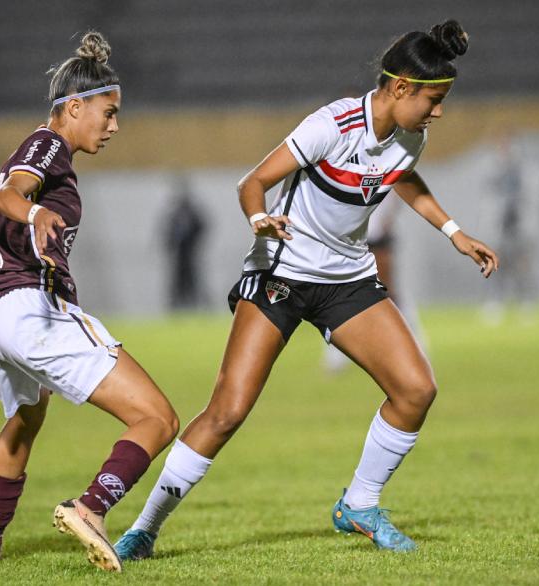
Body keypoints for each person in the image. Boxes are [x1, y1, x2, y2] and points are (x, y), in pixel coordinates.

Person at [114, 20, 498, 559]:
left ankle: (360, 504)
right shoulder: (332, 125)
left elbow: (402, 175)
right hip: (283, 275)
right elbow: (253, 182)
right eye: (433, 100)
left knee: (416, 390)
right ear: (402, 88)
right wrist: (257, 220)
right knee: (228, 410)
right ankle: (144, 529)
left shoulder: (412, 136)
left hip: (347, 280)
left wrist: (454, 232)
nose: (438, 112)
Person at [0, 32, 179, 572]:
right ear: (74, 107)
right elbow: (8, 194)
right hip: (23, 308)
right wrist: (34, 215)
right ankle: (92, 507)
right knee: (157, 418)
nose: (114, 125)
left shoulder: (52, 154)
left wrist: (48, 249)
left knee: (26, 418)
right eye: (107, 112)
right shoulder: (48, 143)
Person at [322, 194, 427, 372]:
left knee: (388, 290)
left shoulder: (385, 169)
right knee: (341, 291)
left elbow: (398, 190)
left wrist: (387, 221)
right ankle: (337, 350)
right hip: (349, 236)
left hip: (376, 234)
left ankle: (415, 341)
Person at [475, 126, 539, 325]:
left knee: (523, 266)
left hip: (520, 228)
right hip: (500, 228)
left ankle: (528, 303)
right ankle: (495, 303)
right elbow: (488, 197)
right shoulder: (493, 168)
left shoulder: (526, 170)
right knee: (496, 265)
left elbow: (531, 196)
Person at [161, 178, 208, 310]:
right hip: (179, 254)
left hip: (189, 253)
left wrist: (193, 241)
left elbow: (202, 226)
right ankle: (176, 305)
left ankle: (195, 305)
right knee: (177, 281)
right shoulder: (175, 214)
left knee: (192, 280)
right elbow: (168, 232)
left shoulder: (192, 213)